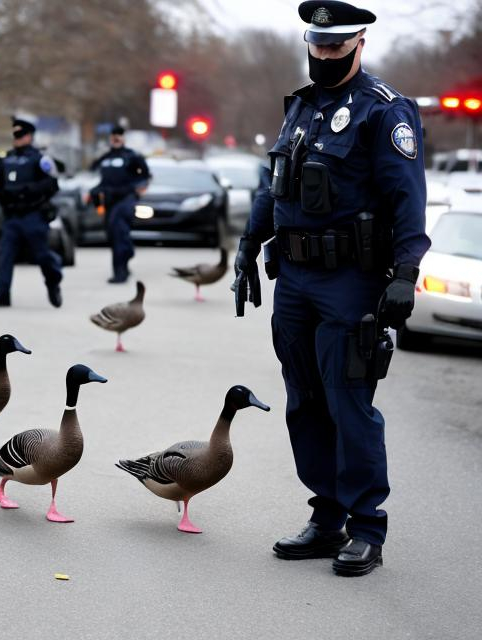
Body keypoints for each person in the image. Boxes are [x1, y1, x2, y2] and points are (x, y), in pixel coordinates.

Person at [232, 0, 430, 576]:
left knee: (350, 406)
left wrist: (404, 273)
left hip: (349, 282)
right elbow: (277, 183)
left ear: (359, 43)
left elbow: (406, 201)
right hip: (293, 279)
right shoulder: (301, 106)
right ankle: (327, 518)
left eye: (335, 47)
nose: (323, 55)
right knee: (305, 404)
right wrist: (248, 245)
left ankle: (367, 528)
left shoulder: (383, 113)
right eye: (316, 46)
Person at [0, 117, 63, 308]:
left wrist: (27, 189)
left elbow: (52, 184)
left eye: (20, 134)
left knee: (42, 255)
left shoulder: (40, 159)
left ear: (29, 136)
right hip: (11, 216)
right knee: (5, 255)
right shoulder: (5, 159)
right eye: (14, 135)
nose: (16, 138)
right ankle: (2, 294)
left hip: (33, 215)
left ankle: (53, 280)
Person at [90, 125, 151, 283]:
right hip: (110, 201)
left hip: (126, 199)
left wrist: (138, 189)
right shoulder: (105, 157)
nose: (116, 138)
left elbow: (145, 175)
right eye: (113, 136)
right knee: (113, 235)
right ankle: (127, 254)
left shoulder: (131, 156)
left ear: (124, 137)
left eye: (119, 135)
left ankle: (120, 273)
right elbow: (94, 173)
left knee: (118, 232)